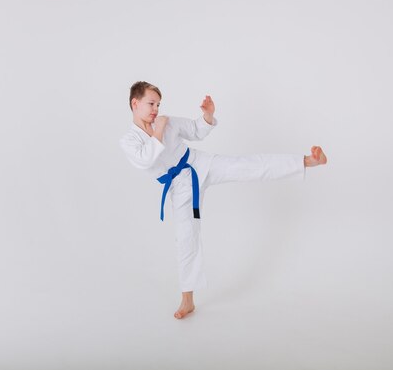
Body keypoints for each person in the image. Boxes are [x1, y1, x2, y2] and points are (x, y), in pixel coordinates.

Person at [119, 81, 327, 319]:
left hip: (199, 163)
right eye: (151, 103)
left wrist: (207, 115)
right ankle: (188, 300)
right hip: (180, 187)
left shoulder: (166, 122)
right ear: (135, 103)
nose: (156, 109)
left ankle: (306, 161)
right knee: (186, 238)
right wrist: (159, 130)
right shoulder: (129, 141)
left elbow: (196, 130)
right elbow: (147, 159)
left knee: (247, 166)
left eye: (158, 104)